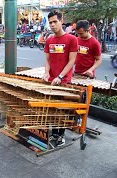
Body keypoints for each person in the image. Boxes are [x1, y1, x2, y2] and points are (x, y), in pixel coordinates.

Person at [43, 10, 78, 147]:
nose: (52, 25)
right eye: (50, 22)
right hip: (51, 81)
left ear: (61, 21)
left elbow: (72, 61)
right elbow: (47, 60)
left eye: (55, 22)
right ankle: (54, 133)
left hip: (63, 81)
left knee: (62, 109)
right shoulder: (49, 40)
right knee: (52, 108)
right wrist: (47, 73)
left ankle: (61, 135)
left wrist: (60, 76)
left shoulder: (71, 39)